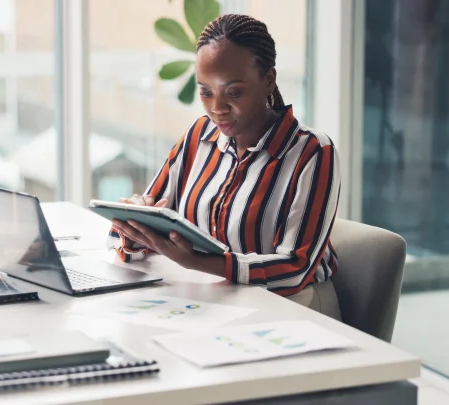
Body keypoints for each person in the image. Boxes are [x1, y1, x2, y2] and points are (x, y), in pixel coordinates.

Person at [110, 14, 341, 319]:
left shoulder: (312, 151)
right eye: (206, 92)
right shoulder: (198, 136)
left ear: (268, 79)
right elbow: (125, 241)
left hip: (295, 308)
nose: (216, 108)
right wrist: (135, 224)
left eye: (233, 92)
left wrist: (199, 262)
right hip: (212, 300)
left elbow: (296, 269)